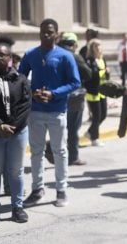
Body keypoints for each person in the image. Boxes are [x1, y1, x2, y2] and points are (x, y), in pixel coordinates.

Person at [19, 18, 81, 208]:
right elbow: (20, 80)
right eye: (43, 31)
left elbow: (75, 82)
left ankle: (61, 189)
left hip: (57, 111)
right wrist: (33, 93)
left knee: (60, 151)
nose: (46, 34)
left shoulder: (65, 56)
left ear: (56, 34)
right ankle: (37, 189)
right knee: (36, 152)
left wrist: (53, 94)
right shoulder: (30, 54)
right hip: (35, 112)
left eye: (50, 31)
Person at [0, 36, 31, 224]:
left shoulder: (21, 79)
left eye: (3, 56)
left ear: (10, 58)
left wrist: (13, 126)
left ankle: (18, 207)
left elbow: (26, 105)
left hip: (18, 132)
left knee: (15, 171)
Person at [56, 32, 91, 165]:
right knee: (73, 128)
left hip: (56, 96)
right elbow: (88, 73)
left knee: (57, 128)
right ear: (74, 44)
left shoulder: (53, 54)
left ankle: (57, 154)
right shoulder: (74, 56)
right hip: (74, 97)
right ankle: (73, 157)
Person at [84, 39, 109, 147]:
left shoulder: (102, 59)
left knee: (103, 114)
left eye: (99, 46)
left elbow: (105, 76)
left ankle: (90, 132)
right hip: (93, 92)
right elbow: (91, 75)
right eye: (96, 46)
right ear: (92, 48)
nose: (98, 48)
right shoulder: (89, 61)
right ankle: (95, 138)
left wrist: (107, 73)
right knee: (96, 116)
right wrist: (103, 71)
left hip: (102, 91)